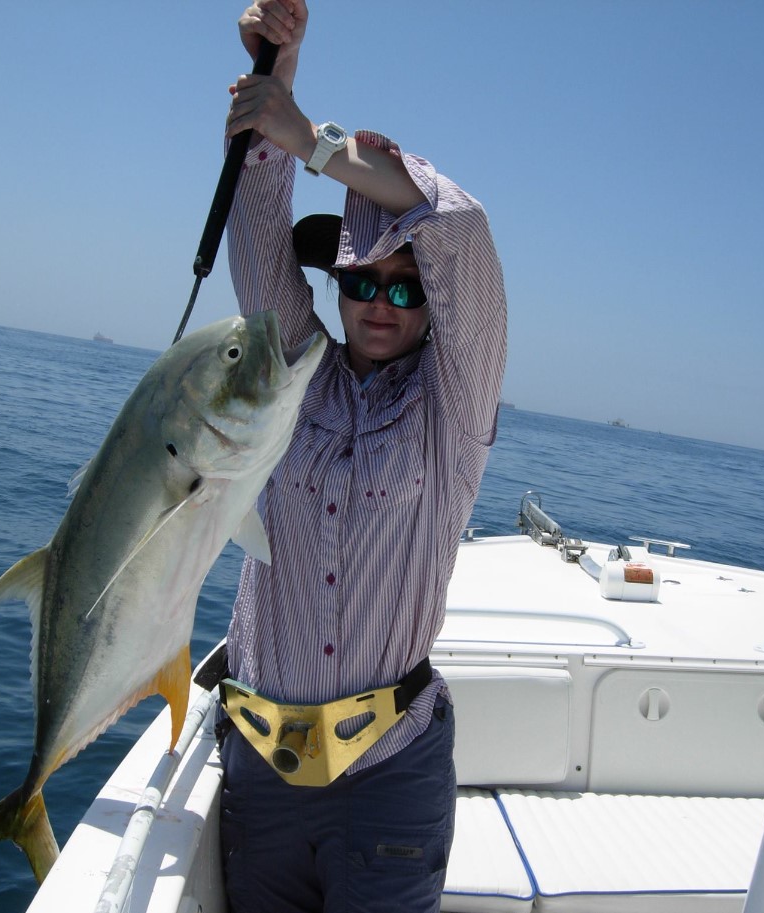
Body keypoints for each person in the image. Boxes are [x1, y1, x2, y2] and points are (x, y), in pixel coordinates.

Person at [216, 1, 507, 910]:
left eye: (406, 287)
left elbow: (461, 226)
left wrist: (312, 138)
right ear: (336, 287)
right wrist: (281, 79)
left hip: (390, 776)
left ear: (435, 307)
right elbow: (259, 240)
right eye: (361, 281)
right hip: (259, 771)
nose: (382, 301)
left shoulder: (453, 405)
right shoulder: (292, 372)